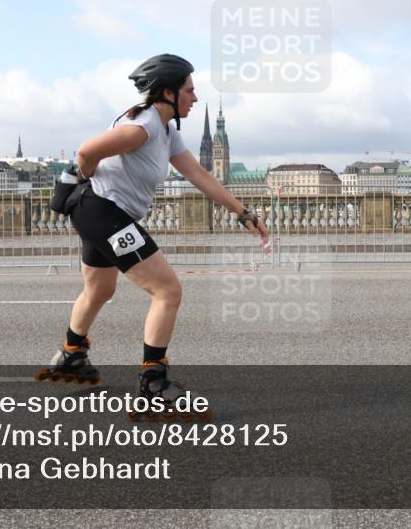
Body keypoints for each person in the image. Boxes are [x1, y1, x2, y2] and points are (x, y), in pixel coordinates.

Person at [36, 54, 269, 419]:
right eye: (189, 91)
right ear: (167, 92)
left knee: (100, 290)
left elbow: (199, 175)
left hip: (99, 212)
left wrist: (243, 212)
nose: (194, 98)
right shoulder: (143, 127)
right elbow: (86, 151)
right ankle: (153, 384)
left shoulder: (167, 131)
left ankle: (71, 355)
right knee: (168, 291)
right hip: (102, 211)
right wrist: (79, 178)